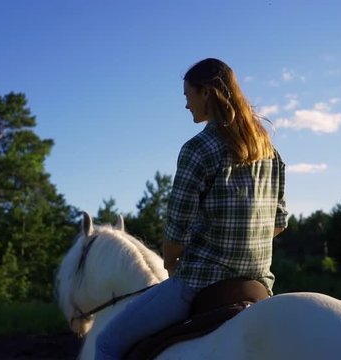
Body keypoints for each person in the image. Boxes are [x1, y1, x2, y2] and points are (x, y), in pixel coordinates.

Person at [95, 58, 288, 360]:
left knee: (106, 343)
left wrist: (172, 263)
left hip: (201, 281)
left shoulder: (198, 148)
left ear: (206, 93)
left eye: (188, 95)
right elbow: (279, 223)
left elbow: (176, 229)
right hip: (258, 285)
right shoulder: (270, 152)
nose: (186, 105)